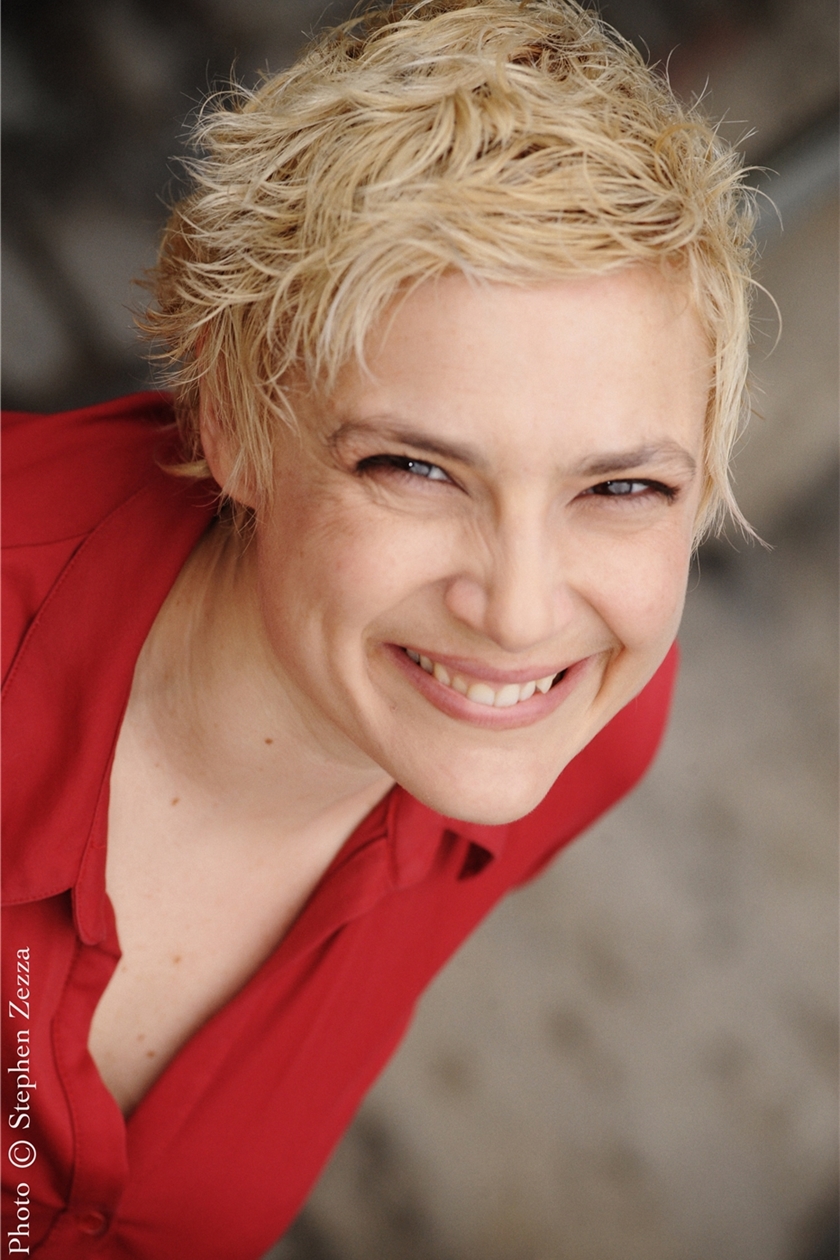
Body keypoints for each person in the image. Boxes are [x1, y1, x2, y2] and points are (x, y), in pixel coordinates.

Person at [2, 1, 757, 1256]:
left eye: (623, 488)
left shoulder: (566, 730)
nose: (521, 613)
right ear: (235, 421)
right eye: (416, 468)